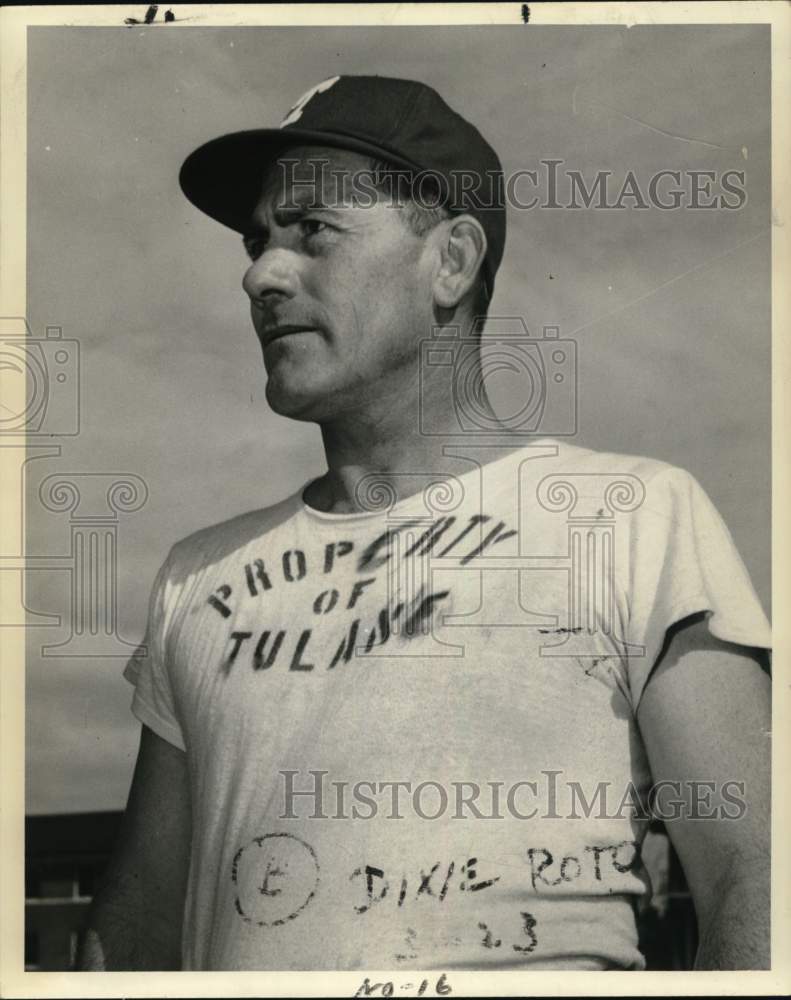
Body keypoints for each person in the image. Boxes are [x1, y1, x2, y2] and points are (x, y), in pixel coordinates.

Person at [77, 75, 771, 972]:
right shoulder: (197, 578)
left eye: (312, 230)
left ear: (450, 262)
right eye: (256, 241)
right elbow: (133, 934)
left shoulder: (632, 521)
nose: (260, 273)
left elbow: (755, 877)